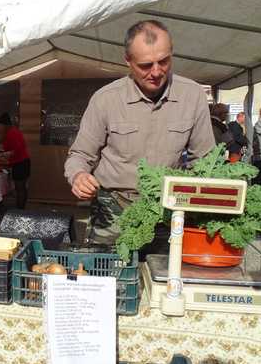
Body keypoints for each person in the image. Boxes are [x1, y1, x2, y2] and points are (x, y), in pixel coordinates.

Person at [64, 20, 215, 245]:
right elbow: (80, 155)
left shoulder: (192, 96)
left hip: (167, 208)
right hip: (113, 208)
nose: (156, 71)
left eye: (163, 61)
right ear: (128, 61)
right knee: (108, 274)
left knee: (160, 275)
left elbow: (205, 160)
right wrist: (78, 176)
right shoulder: (105, 99)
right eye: (146, 65)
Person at [0, 113, 31, 209]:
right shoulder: (10, 133)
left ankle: (20, 210)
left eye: (0, 125)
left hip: (21, 163)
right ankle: (21, 208)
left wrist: (7, 154)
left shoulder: (13, 133)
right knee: (21, 188)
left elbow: (17, 149)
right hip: (21, 162)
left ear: (5, 125)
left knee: (20, 188)